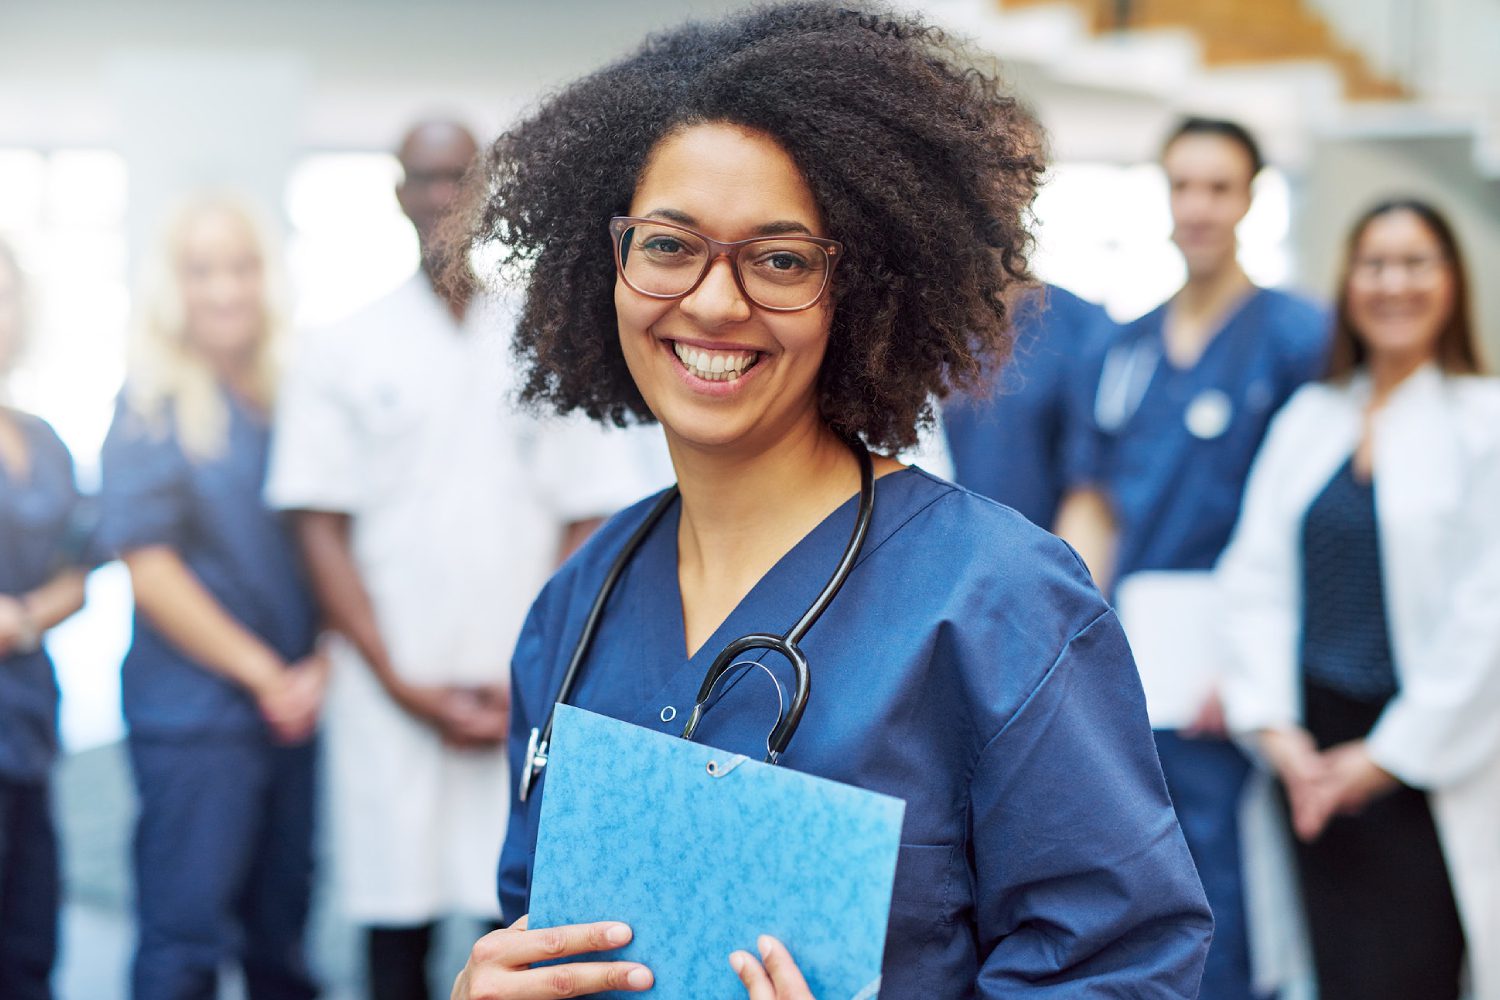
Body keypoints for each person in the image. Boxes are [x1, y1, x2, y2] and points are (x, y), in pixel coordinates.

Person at [447, 6, 1213, 997]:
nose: (716, 303)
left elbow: (1126, 970)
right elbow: (537, 923)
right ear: (610, 267)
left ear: (862, 292)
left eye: (779, 258)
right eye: (670, 244)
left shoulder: (997, 600)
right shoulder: (574, 610)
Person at [266, 120, 652, 1000]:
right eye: (424, 177)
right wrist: (404, 682)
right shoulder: (340, 346)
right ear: (398, 193)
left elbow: (587, 510)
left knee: (513, 920)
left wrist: (526, 669)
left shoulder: (545, 338)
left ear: (484, 190)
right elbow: (317, 525)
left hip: (518, 693)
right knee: (392, 924)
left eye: (458, 176)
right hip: (388, 690)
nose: (441, 195)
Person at [1054, 116, 1328, 1000]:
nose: (1199, 206)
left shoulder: (1294, 339)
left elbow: (1311, 520)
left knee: (1225, 862)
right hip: (1140, 642)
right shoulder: (1124, 348)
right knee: (1138, 853)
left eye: (1219, 187)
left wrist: (1247, 668)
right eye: (1183, 186)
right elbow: (1095, 500)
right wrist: (1071, 639)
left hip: (1236, 646)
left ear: (1250, 198)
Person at [1218, 198, 1500, 1000]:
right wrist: (1279, 736)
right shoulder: (1312, 416)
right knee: (1328, 973)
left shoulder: (1486, 424)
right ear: (1347, 283)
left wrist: (1383, 760)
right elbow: (1257, 577)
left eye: (1417, 263)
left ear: (1452, 282)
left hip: (1426, 762)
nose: (1394, 283)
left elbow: (1490, 615)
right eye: (1375, 264)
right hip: (1309, 758)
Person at [98, 196, 325, 1000]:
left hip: (297, 710)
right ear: (173, 287)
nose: (226, 290)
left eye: (242, 267)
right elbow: (149, 566)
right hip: (197, 715)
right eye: (202, 271)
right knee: (185, 940)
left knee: (284, 938)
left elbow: (330, 547)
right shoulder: (151, 405)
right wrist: (270, 677)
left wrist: (320, 668)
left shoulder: (296, 396)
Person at [0, 239, 92, 1000]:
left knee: (30, 937)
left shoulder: (42, 440)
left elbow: (78, 578)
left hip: (26, 711)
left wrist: (20, 618)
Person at [943, 283, 1114, 526]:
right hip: (961, 533)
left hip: (1048, 544)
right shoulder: (943, 321)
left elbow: (1089, 484)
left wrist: (1058, 561)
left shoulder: (1080, 325)